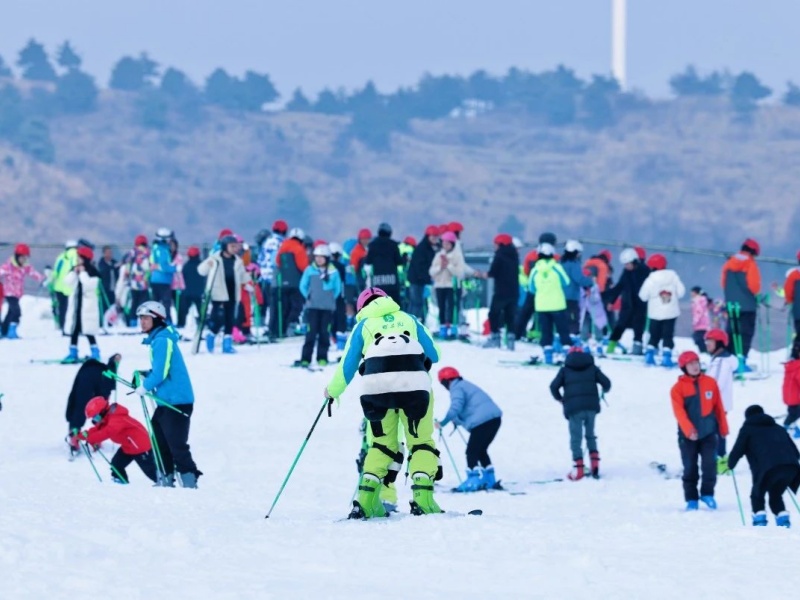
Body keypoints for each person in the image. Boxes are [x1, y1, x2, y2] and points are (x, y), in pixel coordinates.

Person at [324, 287, 442, 519]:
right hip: (415, 389)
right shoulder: (409, 319)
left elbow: (347, 366)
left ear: (361, 308)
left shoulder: (363, 325)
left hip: (377, 391)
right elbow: (435, 354)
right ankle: (423, 500)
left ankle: (367, 502)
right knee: (420, 442)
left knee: (381, 444)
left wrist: (332, 391)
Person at [134, 301, 201, 488]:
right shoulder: (157, 340)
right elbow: (161, 369)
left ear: (157, 320)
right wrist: (147, 375)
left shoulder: (162, 341)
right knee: (159, 442)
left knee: (176, 444)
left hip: (177, 402)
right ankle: (165, 479)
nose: (142, 322)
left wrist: (145, 386)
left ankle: (189, 480)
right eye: (141, 318)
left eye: (146, 318)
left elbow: (161, 372)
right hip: (165, 401)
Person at [670, 351, 729, 510]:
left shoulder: (710, 382)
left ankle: (707, 494)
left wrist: (723, 427)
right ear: (684, 367)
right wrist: (689, 430)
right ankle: (691, 498)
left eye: (696, 362)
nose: (695, 366)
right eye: (690, 364)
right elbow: (679, 413)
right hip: (687, 435)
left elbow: (718, 407)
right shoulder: (677, 389)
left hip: (709, 432)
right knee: (690, 467)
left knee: (710, 465)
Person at [727, 404, 800, 527]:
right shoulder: (778, 428)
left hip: (768, 469)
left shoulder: (747, 428)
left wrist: (731, 464)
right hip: (791, 468)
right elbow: (796, 453)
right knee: (776, 494)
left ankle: (759, 521)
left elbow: (738, 449)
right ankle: (783, 519)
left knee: (757, 494)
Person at [435, 366, 502, 492]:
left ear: (446, 381)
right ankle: (490, 478)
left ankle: (473, 479)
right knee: (481, 450)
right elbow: (469, 409)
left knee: (471, 451)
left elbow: (456, 407)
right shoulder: (465, 385)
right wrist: (457, 420)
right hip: (494, 419)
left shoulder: (457, 388)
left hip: (483, 422)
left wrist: (443, 423)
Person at [549, 347, 611, 480]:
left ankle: (578, 470)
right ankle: (595, 465)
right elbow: (607, 383)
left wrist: (560, 399)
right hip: (591, 406)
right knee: (590, 435)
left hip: (573, 408)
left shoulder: (565, 370)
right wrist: (604, 390)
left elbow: (553, 387)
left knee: (576, 438)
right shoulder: (593, 368)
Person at [72, 396, 158, 484]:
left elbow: (106, 432)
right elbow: (98, 429)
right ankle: (121, 485)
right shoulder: (107, 418)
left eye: (96, 417)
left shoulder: (116, 418)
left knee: (151, 471)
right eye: (94, 419)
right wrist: (81, 435)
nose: (95, 420)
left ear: (102, 411)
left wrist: (89, 438)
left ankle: (165, 484)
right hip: (128, 446)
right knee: (116, 465)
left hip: (140, 446)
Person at [198, 234, 248, 353]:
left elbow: (242, 276)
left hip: (233, 293)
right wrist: (207, 265)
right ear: (225, 246)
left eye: (236, 246)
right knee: (218, 318)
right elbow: (201, 271)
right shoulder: (215, 259)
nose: (235, 249)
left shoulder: (238, 261)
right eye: (232, 246)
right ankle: (211, 335)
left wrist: (249, 281)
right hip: (219, 294)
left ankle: (227, 344)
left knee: (230, 319)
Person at [65, 354, 121, 454]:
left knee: (82, 405)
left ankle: (78, 434)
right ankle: (85, 436)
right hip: (94, 378)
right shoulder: (108, 374)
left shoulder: (105, 371)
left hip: (89, 375)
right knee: (98, 407)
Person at [297, 244, 342, 367]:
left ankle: (322, 357)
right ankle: (305, 358)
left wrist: (330, 298)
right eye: (317, 257)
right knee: (311, 333)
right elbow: (302, 285)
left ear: (327, 258)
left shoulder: (334, 272)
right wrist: (309, 295)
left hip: (327, 308)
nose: (319, 259)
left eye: (322, 257)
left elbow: (338, 288)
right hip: (312, 307)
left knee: (324, 333)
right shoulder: (309, 270)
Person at [720, 238, 762, 371]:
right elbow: (754, 286)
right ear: (753, 252)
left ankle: (729, 361)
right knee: (745, 333)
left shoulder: (729, 263)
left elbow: (723, 283)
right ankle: (741, 362)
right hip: (747, 307)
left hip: (732, 305)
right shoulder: (750, 263)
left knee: (732, 332)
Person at [638, 253, 685, 368]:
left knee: (654, 334)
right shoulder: (673, 276)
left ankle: (649, 355)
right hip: (671, 312)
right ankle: (666, 356)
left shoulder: (651, 279)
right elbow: (681, 292)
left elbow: (642, 295)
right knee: (668, 334)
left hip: (655, 313)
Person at [530, 242, 573, 362]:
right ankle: (567, 356)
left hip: (542, 306)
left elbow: (531, 288)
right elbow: (566, 282)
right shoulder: (556, 267)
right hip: (558, 304)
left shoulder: (535, 270)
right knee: (563, 330)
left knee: (546, 332)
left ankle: (548, 356)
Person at [704, 329, 739, 472]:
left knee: (715, 432)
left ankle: (720, 460)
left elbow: (715, 384)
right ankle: (719, 459)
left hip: (715, 404)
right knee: (717, 431)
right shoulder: (719, 360)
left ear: (719, 343)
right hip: (717, 404)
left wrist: (703, 399)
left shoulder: (721, 362)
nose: (707, 345)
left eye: (710, 342)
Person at [603, 248, 650, 355]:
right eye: (625, 264)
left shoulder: (645, 271)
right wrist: (611, 301)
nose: (626, 266)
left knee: (638, 327)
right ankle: (611, 346)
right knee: (620, 325)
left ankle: (637, 349)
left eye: (628, 264)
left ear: (634, 261)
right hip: (627, 304)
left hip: (640, 305)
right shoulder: (626, 273)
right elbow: (619, 286)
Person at [64, 246, 101, 363]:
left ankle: (95, 352)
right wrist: (74, 273)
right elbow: (67, 282)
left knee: (88, 331)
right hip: (76, 306)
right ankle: (72, 352)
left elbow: (89, 285)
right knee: (74, 330)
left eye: (79, 257)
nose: (77, 260)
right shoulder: (75, 270)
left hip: (87, 308)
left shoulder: (92, 272)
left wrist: (83, 273)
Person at [0, 244, 45, 339]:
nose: (24, 260)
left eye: (26, 257)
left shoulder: (25, 266)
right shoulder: (8, 266)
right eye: (22, 257)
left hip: (17, 293)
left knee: (10, 313)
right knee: (16, 312)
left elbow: (33, 273)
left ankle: (4, 330)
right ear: (17, 256)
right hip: (9, 292)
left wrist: (42, 279)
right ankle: (12, 331)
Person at [483, 234, 519, 350]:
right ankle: (511, 341)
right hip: (513, 291)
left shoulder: (499, 256)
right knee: (510, 316)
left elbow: (493, 272)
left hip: (501, 291)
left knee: (493, 314)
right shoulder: (514, 255)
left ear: (500, 244)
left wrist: (483, 275)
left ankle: (495, 338)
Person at [429, 231, 466, 340]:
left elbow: (460, 273)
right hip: (440, 285)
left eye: (447, 244)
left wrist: (448, 265)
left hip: (453, 286)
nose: (445, 246)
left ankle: (453, 329)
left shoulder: (457, 256)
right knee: (441, 307)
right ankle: (443, 328)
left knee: (452, 307)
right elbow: (431, 271)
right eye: (444, 243)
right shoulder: (438, 255)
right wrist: (440, 267)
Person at [275, 228, 309, 337]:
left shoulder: (282, 247)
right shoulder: (299, 249)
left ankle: (282, 329)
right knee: (296, 306)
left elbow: (277, 262)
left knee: (285, 307)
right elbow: (303, 266)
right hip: (296, 283)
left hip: (283, 282)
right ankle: (291, 328)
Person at [258, 220, 287, 334]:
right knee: (276, 305)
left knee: (265, 303)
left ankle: (264, 326)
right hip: (275, 277)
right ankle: (274, 329)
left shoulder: (266, 242)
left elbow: (260, 258)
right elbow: (278, 260)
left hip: (263, 277)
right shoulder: (281, 242)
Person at [560, 240, 593, 338]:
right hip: (571, 296)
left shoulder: (561, 263)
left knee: (563, 318)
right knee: (573, 318)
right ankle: (573, 336)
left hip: (560, 295)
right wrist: (590, 282)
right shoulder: (574, 264)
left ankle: (563, 336)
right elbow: (579, 278)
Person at [406, 225, 440, 321]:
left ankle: (414, 321)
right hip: (417, 280)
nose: (435, 239)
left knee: (417, 303)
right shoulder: (422, 249)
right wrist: (427, 278)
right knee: (417, 303)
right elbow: (419, 267)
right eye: (433, 237)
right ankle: (412, 322)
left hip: (421, 280)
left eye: (436, 237)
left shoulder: (429, 248)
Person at [364, 222, 404, 304]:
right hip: (392, 281)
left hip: (378, 281)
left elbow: (368, 261)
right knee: (394, 304)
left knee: (379, 305)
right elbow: (399, 261)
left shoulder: (372, 245)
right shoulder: (393, 244)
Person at [117, 235, 151, 325]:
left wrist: (127, 275)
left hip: (134, 283)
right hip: (144, 283)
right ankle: (144, 323)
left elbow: (128, 265)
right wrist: (147, 278)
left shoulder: (132, 252)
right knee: (144, 304)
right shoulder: (148, 252)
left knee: (134, 304)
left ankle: (133, 322)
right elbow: (150, 267)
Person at [150, 228, 178, 319]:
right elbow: (164, 266)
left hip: (155, 279)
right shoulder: (163, 250)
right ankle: (167, 321)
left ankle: (153, 321)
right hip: (163, 280)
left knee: (155, 303)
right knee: (166, 302)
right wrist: (175, 268)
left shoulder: (155, 248)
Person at [52, 240, 79, 329]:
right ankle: (71, 326)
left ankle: (62, 325)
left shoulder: (61, 257)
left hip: (59, 286)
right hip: (71, 286)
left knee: (62, 308)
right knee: (71, 308)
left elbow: (55, 272)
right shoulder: (77, 256)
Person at [177, 246, 205, 329]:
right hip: (199, 292)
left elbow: (182, 278)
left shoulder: (186, 266)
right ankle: (202, 323)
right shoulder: (202, 265)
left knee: (183, 310)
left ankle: (181, 324)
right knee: (201, 310)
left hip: (187, 292)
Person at [782, 337, 800, 438]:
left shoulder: (792, 365)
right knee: (795, 414)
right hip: (795, 397)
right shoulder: (798, 366)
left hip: (790, 395)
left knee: (793, 412)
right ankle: (788, 426)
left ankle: (790, 425)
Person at [782, 250, 800, 339]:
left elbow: (788, 291)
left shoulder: (793, 275)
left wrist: (789, 302)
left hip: (798, 312)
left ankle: (797, 351)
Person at [97, 245, 119, 313]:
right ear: (104, 254)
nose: (110, 254)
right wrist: (113, 267)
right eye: (108, 252)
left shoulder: (114, 262)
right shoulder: (101, 263)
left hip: (114, 290)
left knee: (113, 308)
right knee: (105, 308)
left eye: (111, 252)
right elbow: (103, 271)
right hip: (105, 290)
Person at [690, 286, 711, 353]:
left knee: (698, 338)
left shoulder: (698, 300)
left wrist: (695, 321)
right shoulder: (703, 300)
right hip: (704, 324)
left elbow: (699, 312)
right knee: (700, 338)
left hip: (700, 324)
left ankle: (704, 351)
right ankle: (705, 351)